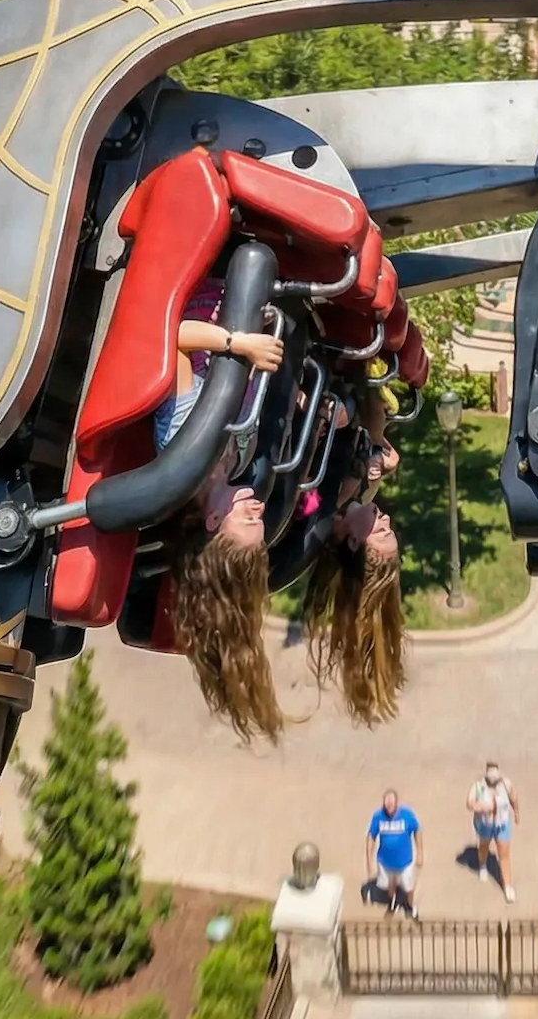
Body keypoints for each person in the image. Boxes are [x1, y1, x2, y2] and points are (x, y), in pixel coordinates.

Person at [160, 275, 287, 739]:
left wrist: (238, 344)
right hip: (242, 302)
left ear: (213, 521)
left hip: (199, 289)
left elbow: (172, 338)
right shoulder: (236, 458)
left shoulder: (183, 451)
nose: (258, 508)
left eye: (247, 519)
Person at [303, 500, 404, 726]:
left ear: (354, 541)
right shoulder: (357, 494)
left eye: (380, 530)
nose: (386, 518)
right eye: (387, 528)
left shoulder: (313, 524)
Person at [466, 761, 520, 903]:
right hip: (485, 824)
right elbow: (469, 803)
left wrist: (516, 813)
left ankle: (508, 886)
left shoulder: (506, 784)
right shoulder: (479, 785)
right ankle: (483, 865)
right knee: (484, 846)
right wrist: (482, 808)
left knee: (504, 855)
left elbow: (514, 798)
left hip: (502, 824)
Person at [365, 789, 423, 920]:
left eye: (392, 804)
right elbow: (371, 836)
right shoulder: (378, 816)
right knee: (389, 885)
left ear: (397, 803)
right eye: (387, 804)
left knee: (408, 886)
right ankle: (393, 903)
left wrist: (420, 852)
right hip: (385, 862)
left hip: (405, 862)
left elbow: (417, 830)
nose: (389, 807)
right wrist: (369, 859)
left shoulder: (407, 815)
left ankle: (409, 905)